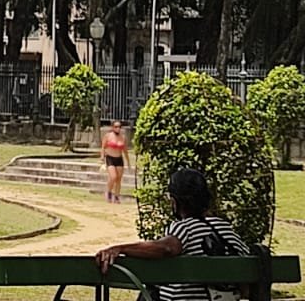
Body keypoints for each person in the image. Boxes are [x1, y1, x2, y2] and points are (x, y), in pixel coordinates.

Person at [95, 168, 250, 301]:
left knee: (151, 291)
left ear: (175, 202)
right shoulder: (226, 229)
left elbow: (167, 248)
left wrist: (120, 249)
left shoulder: (184, 228)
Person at [101, 120, 134, 203]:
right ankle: (108, 191)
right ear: (112, 127)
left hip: (119, 158)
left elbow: (125, 150)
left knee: (118, 179)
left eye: (119, 127)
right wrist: (102, 159)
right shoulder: (108, 136)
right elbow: (103, 147)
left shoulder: (122, 137)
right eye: (116, 127)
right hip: (110, 158)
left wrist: (128, 162)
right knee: (113, 176)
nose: (118, 128)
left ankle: (116, 196)